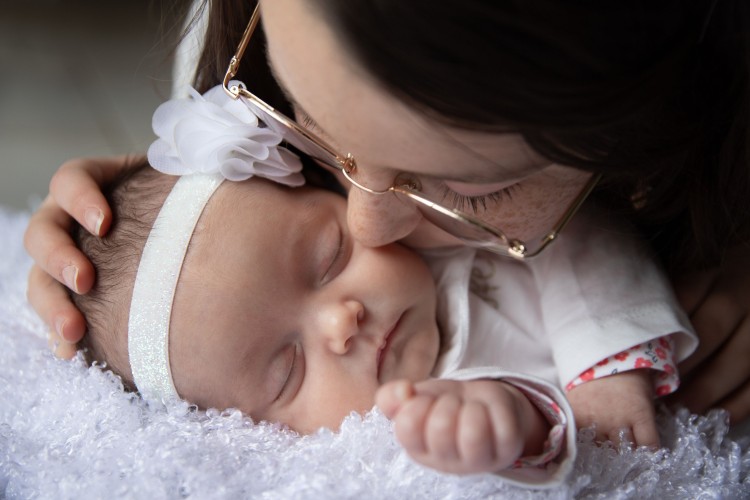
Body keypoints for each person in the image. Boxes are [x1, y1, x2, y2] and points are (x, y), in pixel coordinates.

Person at [25, 0, 750, 423]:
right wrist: (137, 234)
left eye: (466, 188)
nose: (364, 227)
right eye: (318, 129)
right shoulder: (254, 66)